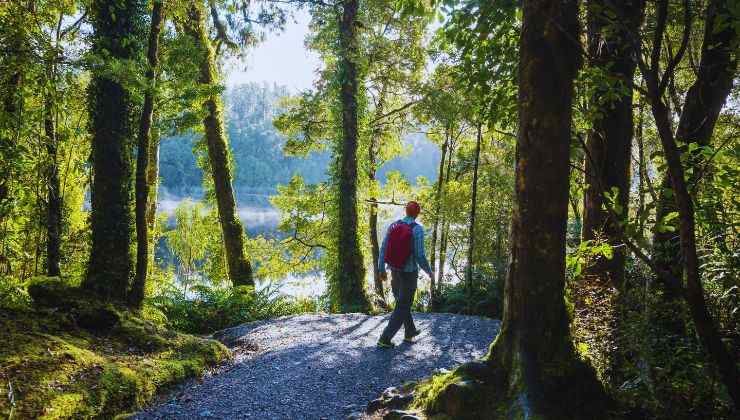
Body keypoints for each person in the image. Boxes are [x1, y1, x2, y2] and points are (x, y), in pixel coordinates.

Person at [377, 201, 433, 348]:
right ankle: (385, 338)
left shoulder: (394, 225)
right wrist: (429, 271)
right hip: (409, 273)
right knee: (402, 306)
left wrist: (381, 268)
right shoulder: (418, 229)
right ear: (417, 213)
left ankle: (410, 332)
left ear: (405, 211)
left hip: (394, 270)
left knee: (402, 303)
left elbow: (383, 248)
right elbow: (420, 256)